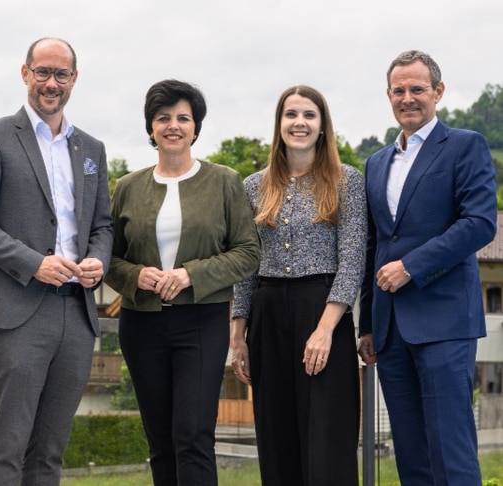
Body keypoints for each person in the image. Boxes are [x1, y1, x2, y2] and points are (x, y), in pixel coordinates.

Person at [0, 37, 112, 485]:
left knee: (49, 454)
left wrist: (98, 260)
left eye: (61, 74)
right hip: (15, 312)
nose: (51, 83)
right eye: (43, 72)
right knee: (8, 448)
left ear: (74, 79)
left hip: (76, 314)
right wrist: (33, 263)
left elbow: (102, 225)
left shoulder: (92, 149)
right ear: (25, 73)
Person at [104, 79, 260, 485]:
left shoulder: (225, 181)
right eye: (163, 118)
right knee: (160, 440)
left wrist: (191, 273)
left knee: (193, 436)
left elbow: (248, 253)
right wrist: (137, 275)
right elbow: (107, 258)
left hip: (202, 322)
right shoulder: (127, 187)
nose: (173, 126)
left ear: (195, 127)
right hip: (141, 324)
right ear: (151, 127)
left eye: (183, 118)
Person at [358, 50, 497, 485]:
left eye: (417, 89)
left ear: (438, 91)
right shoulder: (375, 163)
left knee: (450, 448)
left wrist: (412, 266)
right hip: (390, 328)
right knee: (411, 454)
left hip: (445, 322)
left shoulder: (465, 145)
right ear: (388, 96)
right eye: (398, 90)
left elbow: (479, 223)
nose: (408, 98)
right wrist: (367, 325)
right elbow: (374, 246)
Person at [230, 85, 366, 486]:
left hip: (323, 309)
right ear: (279, 124)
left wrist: (324, 331)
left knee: (328, 438)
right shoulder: (253, 186)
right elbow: (246, 266)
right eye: (291, 115)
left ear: (323, 126)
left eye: (309, 115)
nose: (299, 123)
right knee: (277, 437)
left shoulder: (346, 181)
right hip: (267, 314)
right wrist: (238, 336)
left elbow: (352, 259)